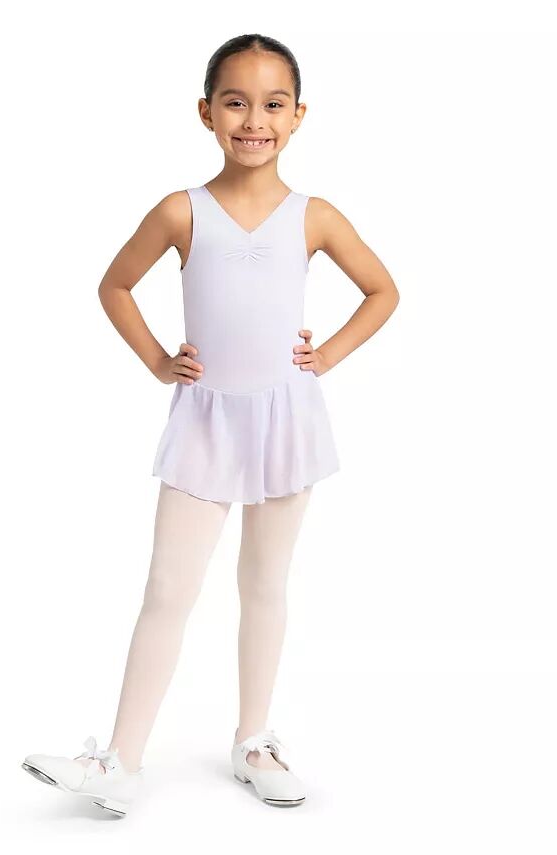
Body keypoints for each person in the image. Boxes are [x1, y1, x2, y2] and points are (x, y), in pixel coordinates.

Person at [21, 33, 400, 817]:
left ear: (298, 116)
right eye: (236, 102)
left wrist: (325, 355)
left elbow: (383, 290)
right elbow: (115, 285)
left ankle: (253, 740)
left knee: (265, 582)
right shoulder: (180, 210)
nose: (254, 120)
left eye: (272, 104)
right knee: (168, 586)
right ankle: (120, 760)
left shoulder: (314, 216)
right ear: (206, 112)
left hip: (285, 418)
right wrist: (160, 361)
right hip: (206, 421)